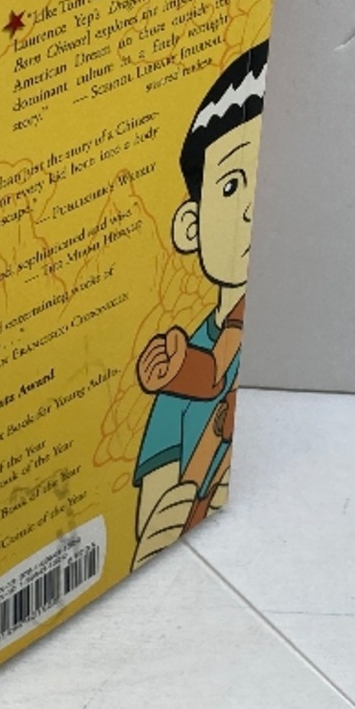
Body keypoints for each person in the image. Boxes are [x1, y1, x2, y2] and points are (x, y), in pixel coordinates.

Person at [130, 40, 268, 570]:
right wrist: (154, 531)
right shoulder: (185, 367)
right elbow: (154, 501)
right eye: (231, 185)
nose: (250, 206)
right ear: (190, 226)